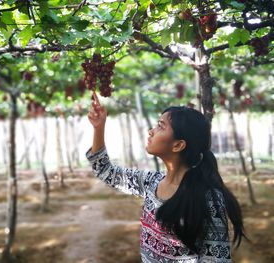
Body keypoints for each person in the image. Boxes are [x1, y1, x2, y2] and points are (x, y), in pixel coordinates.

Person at [86, 92, 246, 262]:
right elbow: (106, 172)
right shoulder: (151, 182)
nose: (151, 132)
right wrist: (99, 127)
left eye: (161, 126)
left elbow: (216, 260)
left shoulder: (208, 198)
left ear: (178, 145)